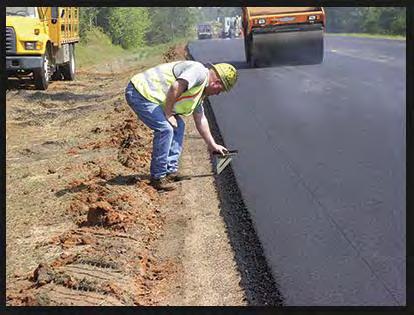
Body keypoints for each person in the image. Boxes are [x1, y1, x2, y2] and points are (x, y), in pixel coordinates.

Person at [125, 60, 238, 191]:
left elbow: (200, 119)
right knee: (165, 129)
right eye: (221, 90)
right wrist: (168, 114)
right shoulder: (199, 72)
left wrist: (212, 144)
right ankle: (158, 177)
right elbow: (175, 87)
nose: (218, 94)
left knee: (178, 126)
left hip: (153, 98)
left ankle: (170, 170)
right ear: (217, 83)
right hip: (140, 93)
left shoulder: (200, 91)